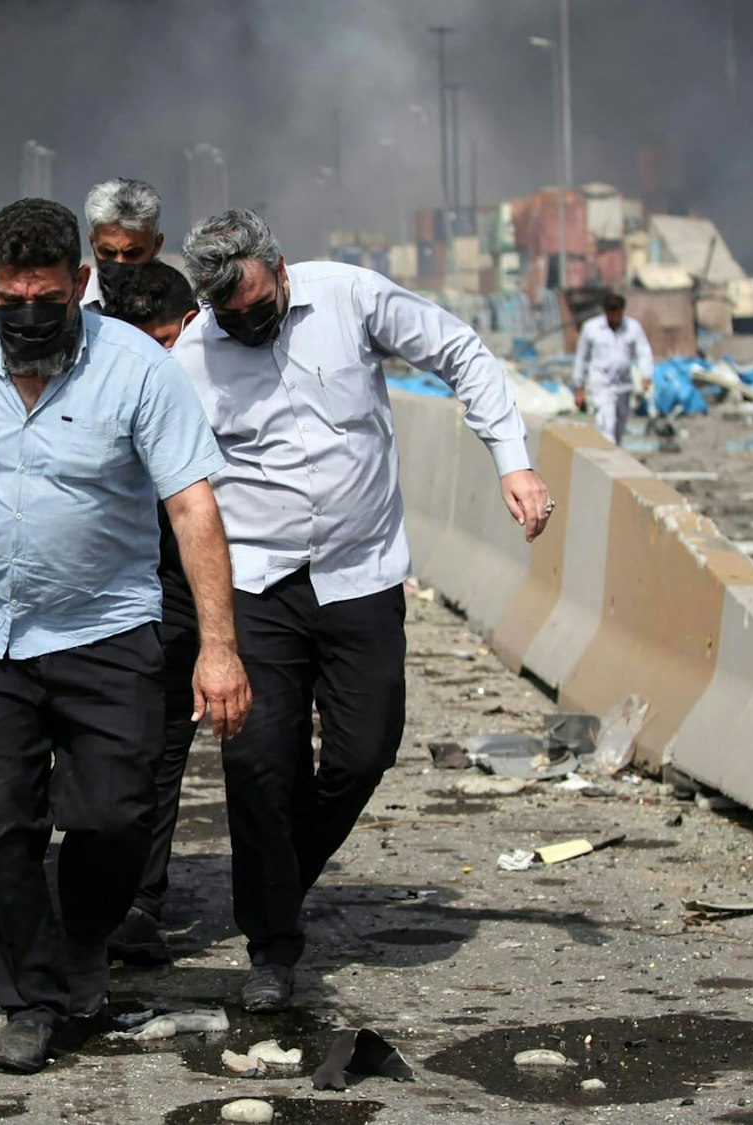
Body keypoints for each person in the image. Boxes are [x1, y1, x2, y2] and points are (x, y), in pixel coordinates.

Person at [172, 209, 553, 1012]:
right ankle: (271, 945)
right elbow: (174, 481)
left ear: (279, 268)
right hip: (260, 585)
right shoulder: (194, 356)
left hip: (362, 574)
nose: (243, 324)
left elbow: (462, 353)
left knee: (364, 750)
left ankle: (279, 877)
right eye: (226, 315)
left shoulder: (351, 297)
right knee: (256, 765)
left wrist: (511, 463)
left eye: (254, 306)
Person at [0, 198, 250, 1073]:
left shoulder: (139, 369)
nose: (31, 313)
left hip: (108, 633)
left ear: (80, 283)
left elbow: (192, 506)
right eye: (14, 298)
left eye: (49, 296)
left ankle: (82, 943)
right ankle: (35, 997)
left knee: (114, 818)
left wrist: (218, 646)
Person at [94, 260, 203, 963]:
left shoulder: (213, 384)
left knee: (161, 752)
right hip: (103, 602)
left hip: (178, 603)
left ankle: (142, 897)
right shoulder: (103, 385)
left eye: (162, 342)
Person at [570, 293, 654, 447]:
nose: (615, 316)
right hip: (601, 384)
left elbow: (644, 351)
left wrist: (646, 375)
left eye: (618, 312)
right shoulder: (591, 328)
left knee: (619, 427)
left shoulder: (632, 327)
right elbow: (582, 358)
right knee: (606, 424)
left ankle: (615, 457)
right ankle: (610, 459)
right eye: (611, 312)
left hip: (623, 384)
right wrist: (578, 386)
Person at [80, 177, 166, 311]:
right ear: (92, 243)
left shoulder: (177, 307)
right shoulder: (72, 301)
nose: (119, 263)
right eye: (108, 252)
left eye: (132, 254)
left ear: (157, 245)